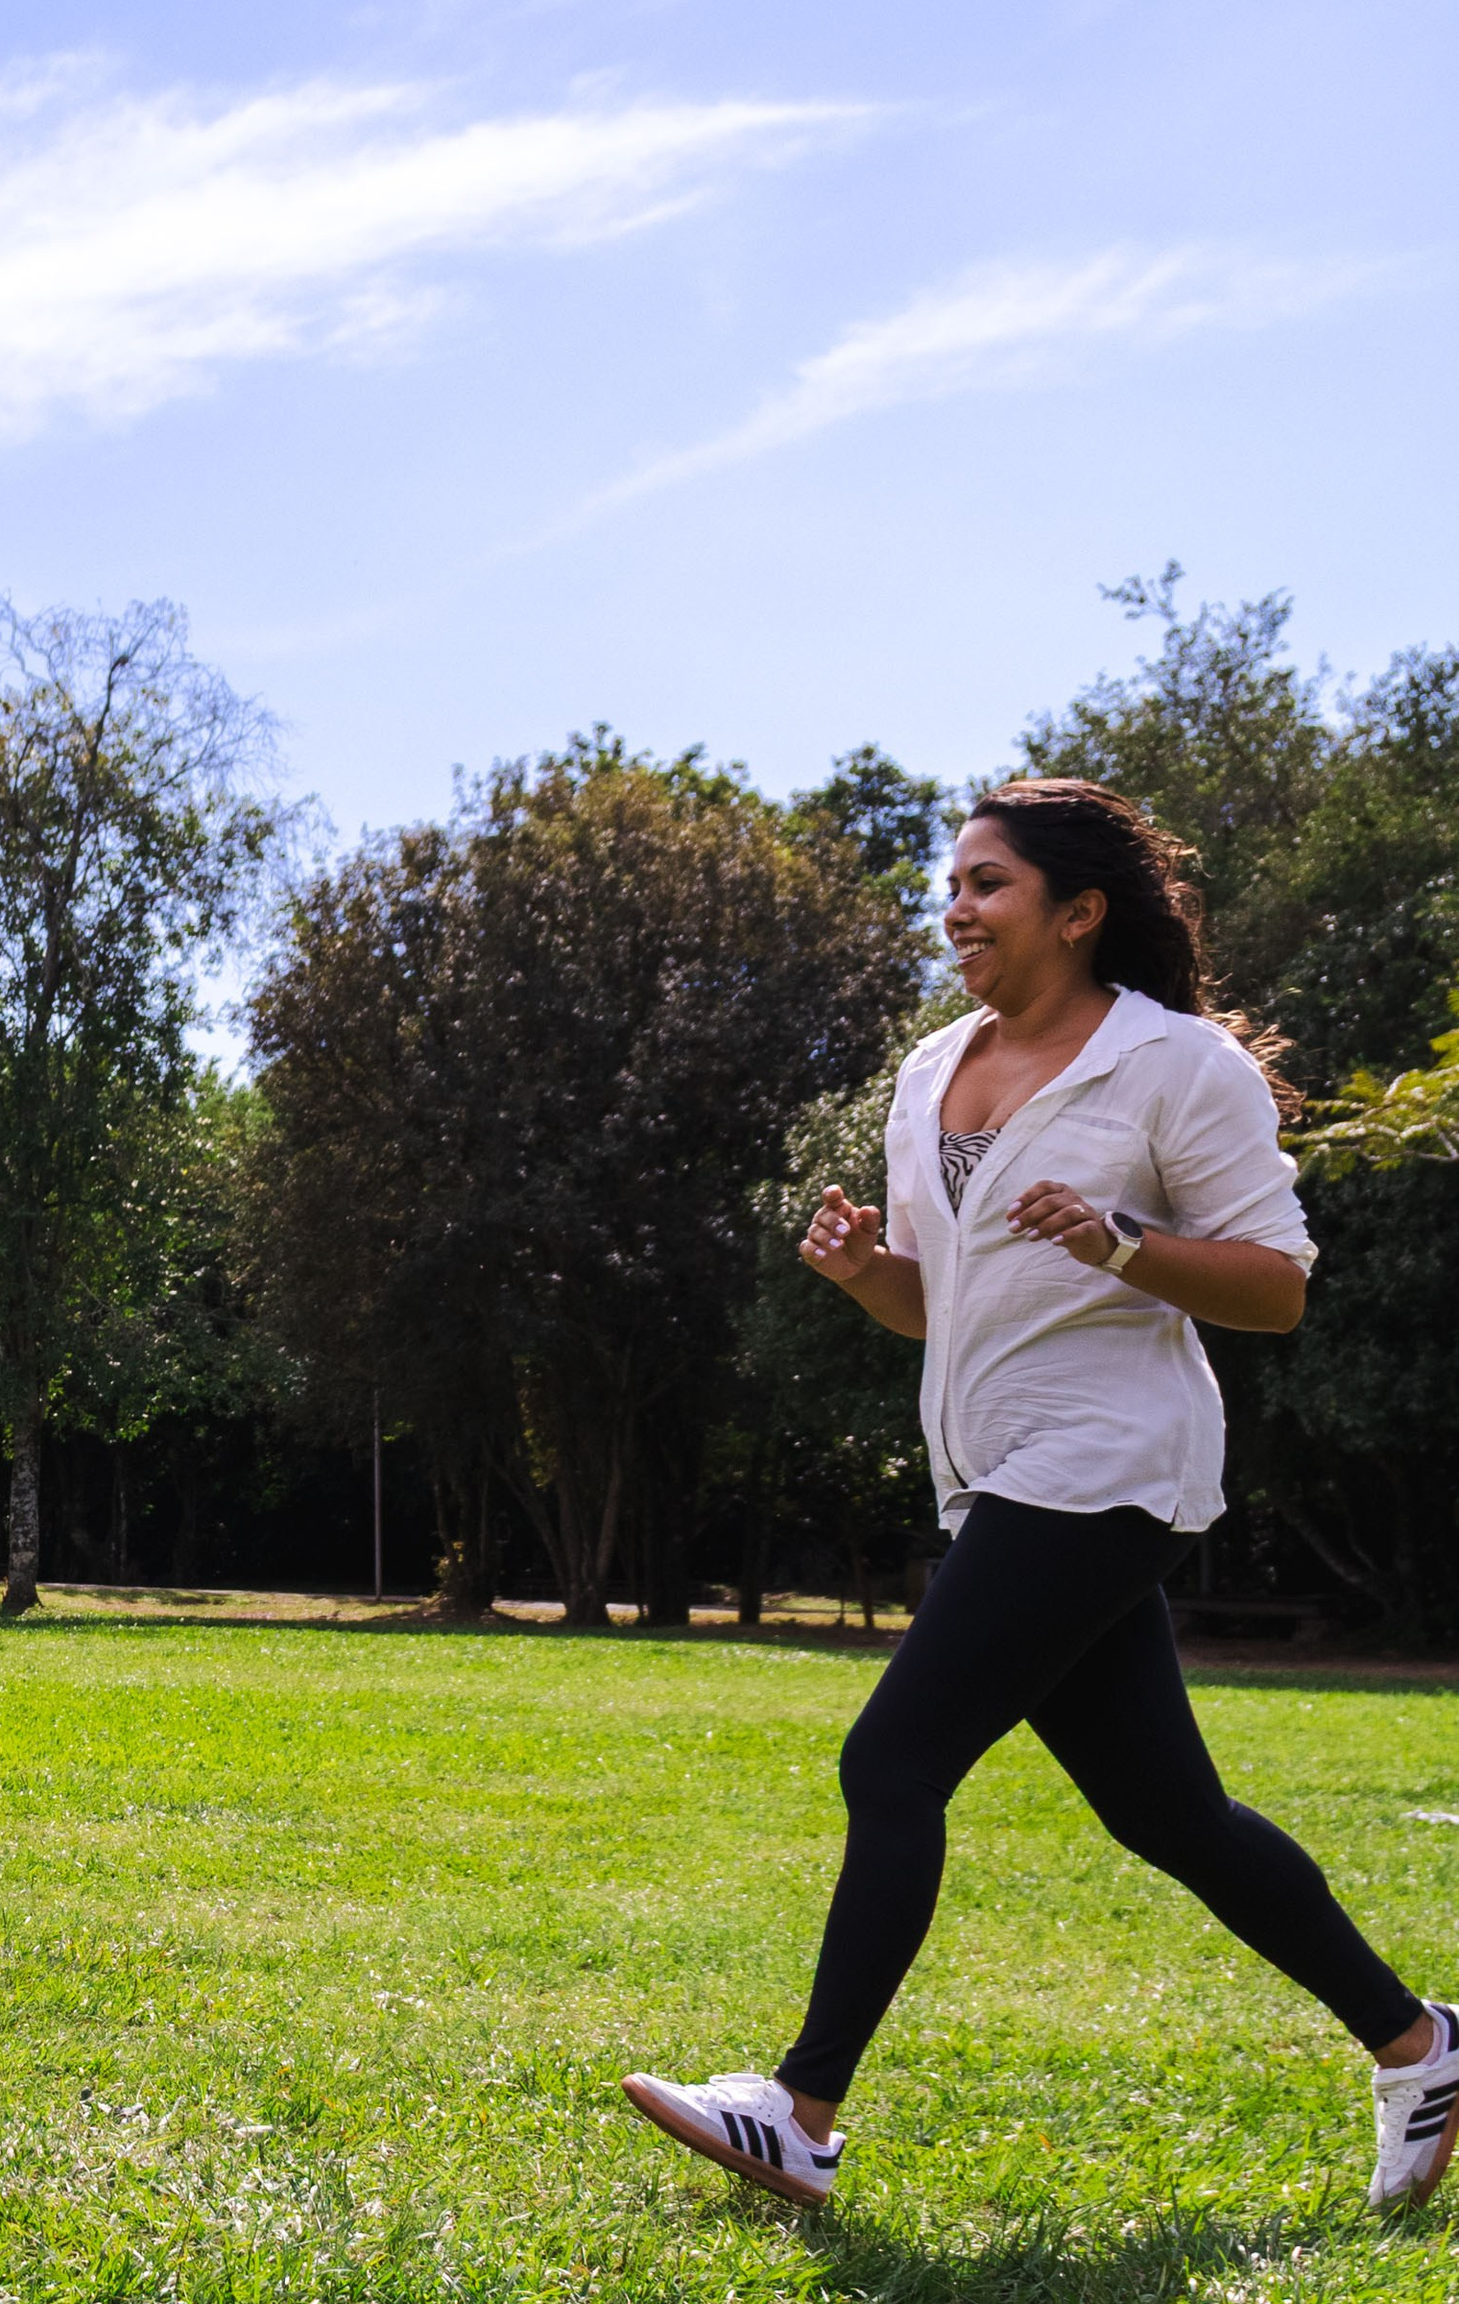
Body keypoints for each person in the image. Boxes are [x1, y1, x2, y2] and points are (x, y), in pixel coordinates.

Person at [623, 778, 1455, 2219]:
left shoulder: (1175, 1064)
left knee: (893, 1764)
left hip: (1105, 1463)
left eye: (988, 884)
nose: (957, 909)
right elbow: (934, 1305)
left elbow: (1277, 1288)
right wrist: (865, 1274)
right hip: (990, 1471)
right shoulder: (928, 1069)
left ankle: (801, 2113)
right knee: (1169, 1815)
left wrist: (1122, 1242)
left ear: (1078, 913)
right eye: (952, 884)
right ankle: (1419, 2046)